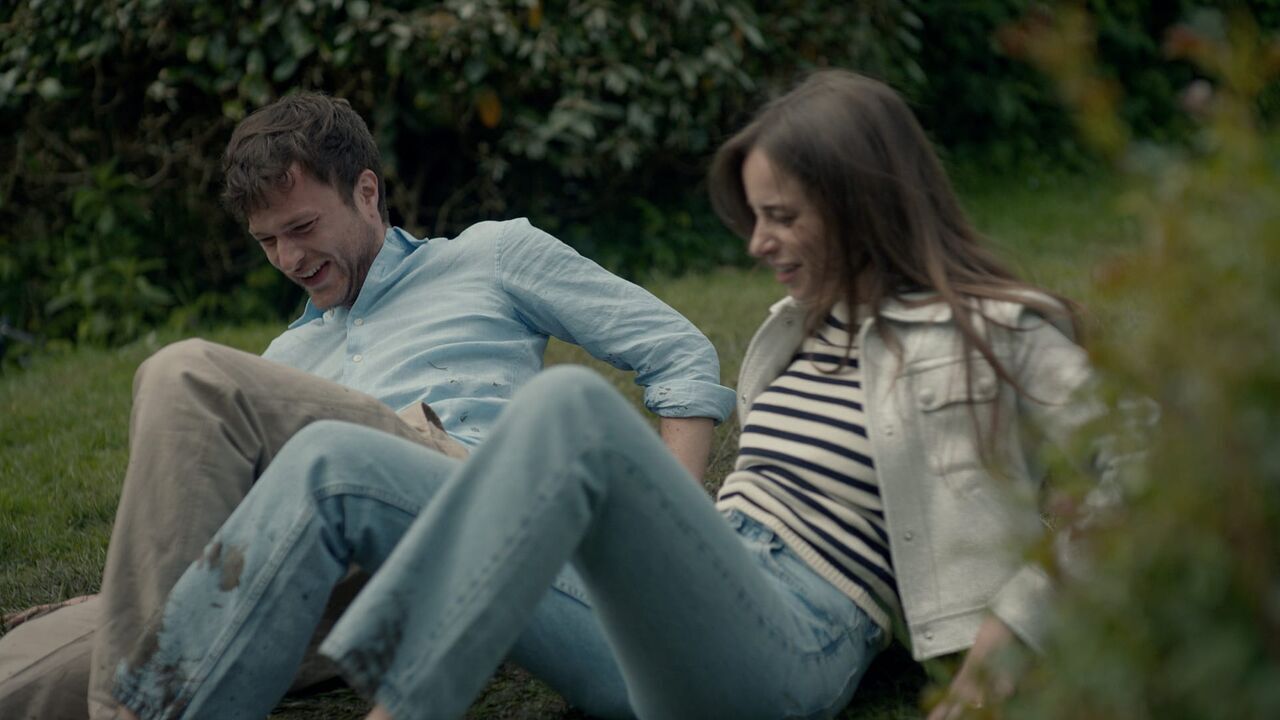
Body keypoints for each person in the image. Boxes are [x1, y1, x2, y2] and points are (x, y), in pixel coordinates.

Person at [108, 70, 1115, 720]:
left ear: (862, 201)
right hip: (693, 595)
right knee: (329, 461)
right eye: (754, 217)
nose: (756, 244)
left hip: (796, 635)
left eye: (779, 216)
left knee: (570, 410)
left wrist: (991, 666)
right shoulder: (794, 331)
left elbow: (1130, 483)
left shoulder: (998, 331)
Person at [0, 92, 735, 720]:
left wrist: (663, 542)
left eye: (302, 228)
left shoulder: (487, 255)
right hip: (328, 571)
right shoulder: (281, 363)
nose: (289, 260)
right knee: (28, 672)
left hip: (462, 497)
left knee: (183, 373)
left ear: (367, 192)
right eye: (267, 241)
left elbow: (676, 352)